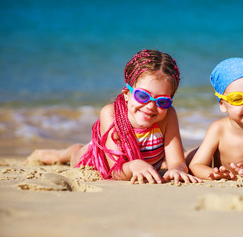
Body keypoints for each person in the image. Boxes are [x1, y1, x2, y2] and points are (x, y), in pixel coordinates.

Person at [26, 49, 201, 184]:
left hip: (143, 162)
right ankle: (58, 154)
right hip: (97, 158)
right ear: (127, 94)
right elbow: (115, 171)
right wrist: (134, 165)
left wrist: (178, 169)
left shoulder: (168, 115)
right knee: (75, 155)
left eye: (162, 101)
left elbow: (177, 162)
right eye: (142, 96)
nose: (150, 106)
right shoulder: (110, 114)